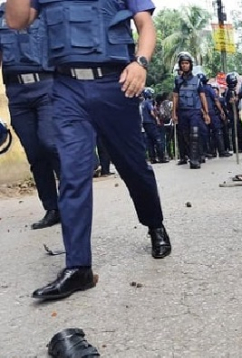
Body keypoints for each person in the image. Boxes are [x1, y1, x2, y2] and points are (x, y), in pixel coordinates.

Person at [6, 0, 172, 300]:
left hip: (116, 84)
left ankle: (155, 224)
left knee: (133, 167)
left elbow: (145, 24)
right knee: (73, 172)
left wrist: (141, 63)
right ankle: (78, 266)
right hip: (65, 88)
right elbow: (17, 21)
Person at [0, 2, 61, 229]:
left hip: (47, 87)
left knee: (50, 143)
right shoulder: (1, 15)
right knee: (35, 154)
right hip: (16, 94)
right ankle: (52, 208)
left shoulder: (45, 10)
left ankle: (71, 201)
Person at [172, 52, 210, 169]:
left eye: (187, 63)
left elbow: (202, 96)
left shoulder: (197, 81)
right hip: (182, 112)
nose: (184, 66)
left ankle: (194, 160)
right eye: (182, 63)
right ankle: (196, 155)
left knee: (195, 134)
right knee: (186, 136)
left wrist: (206, 113)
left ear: (190, 65)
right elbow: (175, 97)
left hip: (194, 111)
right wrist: (173, 113)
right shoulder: (178, 81)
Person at [141, 87, 167, 163]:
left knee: (150, 141)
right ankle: (161, 157)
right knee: (157, 140)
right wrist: (157, 119)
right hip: (151, 123)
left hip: (145, 124)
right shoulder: (148, 102)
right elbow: (152, 112)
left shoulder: (143, 103)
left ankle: (152, 158)